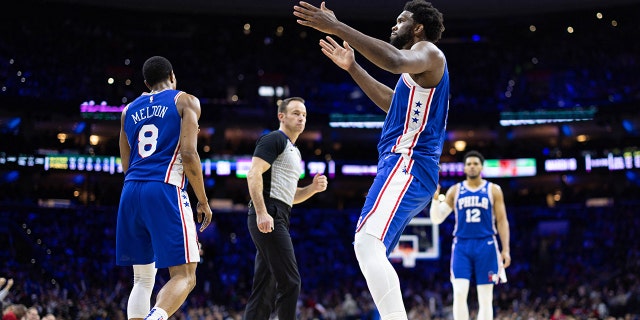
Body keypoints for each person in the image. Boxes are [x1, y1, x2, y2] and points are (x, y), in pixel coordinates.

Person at [294, 1, 448, 319]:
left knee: (366, 242)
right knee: (371, 248)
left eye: (401, 20)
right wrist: (353, 67)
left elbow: (392, 60)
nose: (394, 25)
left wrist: (337, 26)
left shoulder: (429, 52)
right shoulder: (415, 74)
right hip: (408, 167)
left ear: (418, 27)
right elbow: (394, 103)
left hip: (407, 162)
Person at [116, 55, 213, 320]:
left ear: (146, 83)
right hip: (164, 187)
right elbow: (190, 154)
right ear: (172, 75)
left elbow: (127, 163)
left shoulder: (127, 111)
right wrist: (202, 200)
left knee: (142, 279)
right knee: (186, 275)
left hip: (130, 191)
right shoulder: (185, 100)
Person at [243, 97, 328, 320]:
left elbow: (290, 196)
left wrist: (312, 189)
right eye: (296, 113)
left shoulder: (294, 151)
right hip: (268, 213)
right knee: (290, 282)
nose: (301, 118)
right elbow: (253, 174)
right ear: (282, 116)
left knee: (265, 287)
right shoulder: (274, 139)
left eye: (304, 115)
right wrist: (262, 212)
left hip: (279, 212)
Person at [430, 150, 511, 320]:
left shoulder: (494, 190)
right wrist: (435, 198)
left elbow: (502, 221)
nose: (472, 166)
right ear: (464, 168)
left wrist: (506, 249)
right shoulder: (455, 190)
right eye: (468, 164)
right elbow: (437, 219)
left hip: (486, 244)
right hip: (462, 245)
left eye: (475, 163)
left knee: (486, 296)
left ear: (481, 166)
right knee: (459, 292)